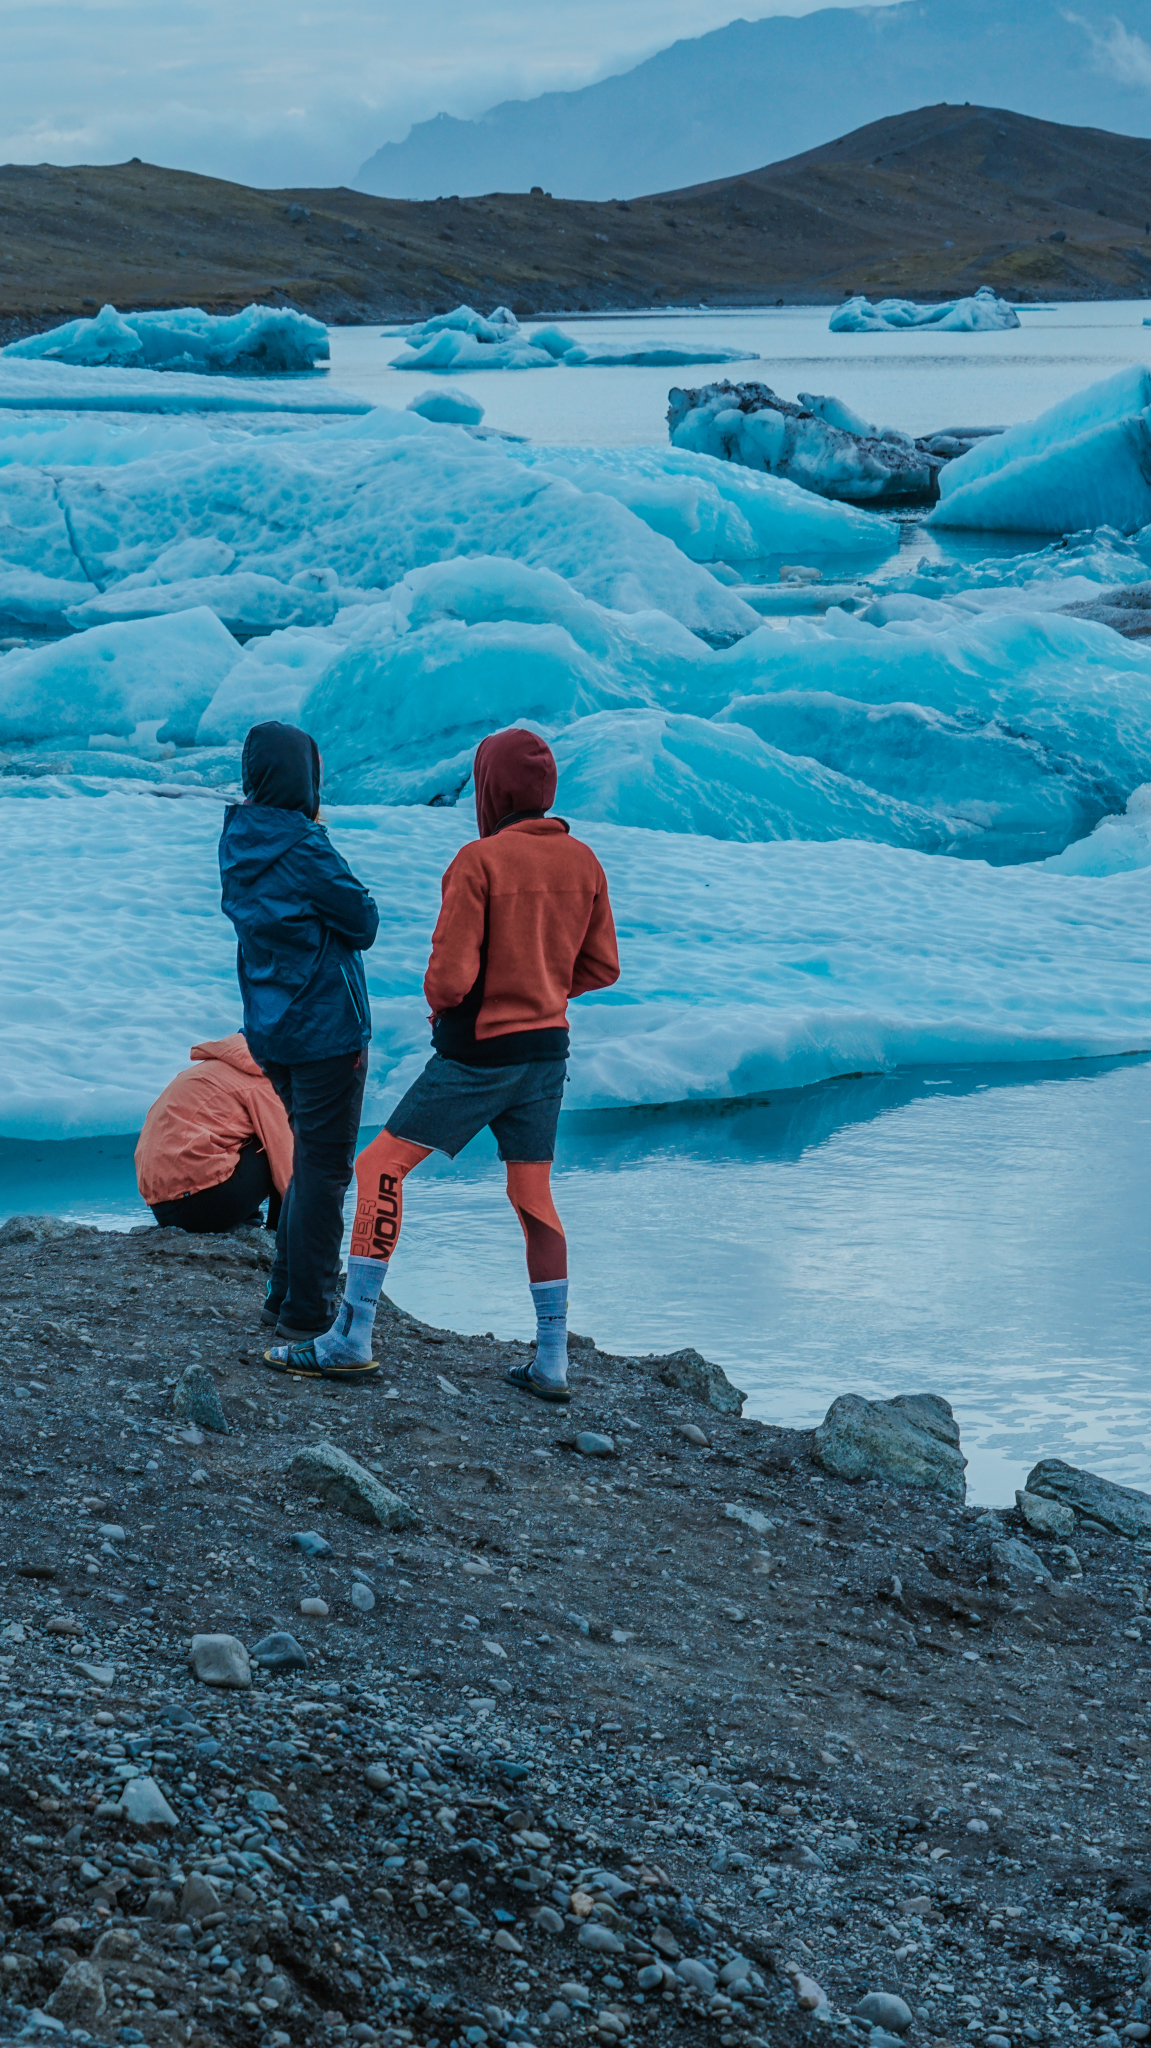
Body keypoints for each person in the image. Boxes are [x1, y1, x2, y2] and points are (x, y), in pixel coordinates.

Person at [268, 726, 620, 1399]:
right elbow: (602, 966)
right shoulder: (584, 861)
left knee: (378, 1167)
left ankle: (352, 1334)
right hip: (545, 1053)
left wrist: (466, 1000)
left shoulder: (478, 860)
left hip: (476, 1052)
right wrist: (542, 984)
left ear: (489, 787)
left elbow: (450, 980)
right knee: (531, 1196)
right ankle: (551, 1360)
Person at [219, 720, 379, 1343]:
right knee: (324, 1167)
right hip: (326, 1031)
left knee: (310, 1158)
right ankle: (307, 1309)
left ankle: (284, 1294)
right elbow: (362, 918)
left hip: (271, 1027)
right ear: (303, 777)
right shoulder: (306, 847)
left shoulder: (240, 840)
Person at [135, 1033, 293, 1233]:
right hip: (202, 1207)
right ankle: (278, 1236)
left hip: (163, 1208)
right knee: (281, 1144)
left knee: (243, 1135)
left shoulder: (214, 1070)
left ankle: (248, 1218)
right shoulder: (262, 1082)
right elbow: (289, 1167)